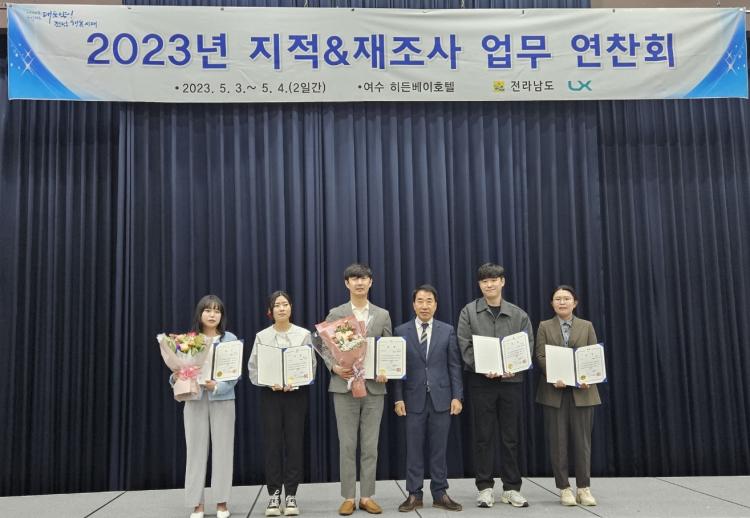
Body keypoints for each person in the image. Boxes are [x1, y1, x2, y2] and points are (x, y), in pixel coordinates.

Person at [456, 263, 533, 509]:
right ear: (479, 285)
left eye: (493, 280)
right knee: (483, 436)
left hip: (511, 382)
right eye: (484, 281)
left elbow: (527, 346)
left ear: (502, 282)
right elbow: (464, 345)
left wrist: (516, 367)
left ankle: (511, 488)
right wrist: (482, 366)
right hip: (481, 382)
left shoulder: (519, 314)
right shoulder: (469, 312)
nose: (489, 285)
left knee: (511, 437)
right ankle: (485, 488)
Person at [323, 263, 391, 516]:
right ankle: (349, 497)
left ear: (371, 282)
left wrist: (386, 370)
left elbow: (388, 347)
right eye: (354, 278)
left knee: (371, 446)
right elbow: (325, 346)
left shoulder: (382, 315)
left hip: (374, 388)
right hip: (344, 387)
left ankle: (367, 496)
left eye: (363, 278)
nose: (359, 282)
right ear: (347, 283)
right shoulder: (336, 313)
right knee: (347, 444)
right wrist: (334, 367)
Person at [393, 285, 464, 513]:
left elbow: (454, 366)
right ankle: (414, 494)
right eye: (420, 301)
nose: (424, 305)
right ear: (413, 304)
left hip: (442, 398)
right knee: (413, 449)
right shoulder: (400, 331)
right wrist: (397, 398)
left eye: (429, 301)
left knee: (439, 449)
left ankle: (440, 493)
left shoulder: (447, 330)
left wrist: (457, 396)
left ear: (436, 305)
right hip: (412, 400)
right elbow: (397, 368)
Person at [169, 295, 238, 518]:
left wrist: (217, 386)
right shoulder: (189, 340)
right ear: (200, 314)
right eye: (207, 310)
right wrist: (176, 376)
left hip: (222, 399)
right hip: (195, 399)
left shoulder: (230, 339)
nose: (212, 314)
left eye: (217, 310)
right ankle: (196, 503)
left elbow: (235, 373)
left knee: (223, 450)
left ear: (221, 315)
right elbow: (177, 372)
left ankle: (221, 502)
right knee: (195, 451)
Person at [248, 291, 316, 516]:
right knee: (272, 445)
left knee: (295, 444)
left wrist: (297, 380)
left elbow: (311, 366)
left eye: (285, 304)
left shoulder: (303, 335)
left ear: (291, 308)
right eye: (277, 305)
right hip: (271, 395)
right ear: (270, 311)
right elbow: (253, 369)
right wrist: (268, 382)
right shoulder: (262, 336)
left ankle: (291, 495)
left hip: (296, 396)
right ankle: (274, 495)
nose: (282, 308)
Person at [535, 285, 600, 507]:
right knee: (558, 443)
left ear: (575, 302)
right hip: (554, 392)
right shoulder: (544, 326)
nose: (562, 302)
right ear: (552, 303)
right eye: (557, 299)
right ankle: (564, 488)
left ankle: (584, 488)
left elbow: (593, 355)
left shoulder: (586, 326)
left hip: (583, 392)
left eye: (566, 298)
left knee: (583, 443)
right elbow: (540, 355)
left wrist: (589, 377)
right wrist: (553, 376)